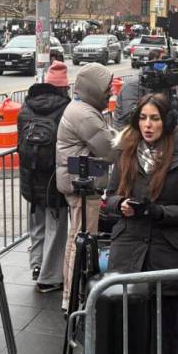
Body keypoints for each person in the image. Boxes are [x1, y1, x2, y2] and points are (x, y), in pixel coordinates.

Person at [106, 93, 178, 354]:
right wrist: (120, 204)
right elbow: (108, 197)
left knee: (165, 329)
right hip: (129, 248)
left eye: (155, 118)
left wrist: (159, 212)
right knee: (127, 324)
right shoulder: (126, 152)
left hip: (165, 251)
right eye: (143, 118)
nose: (148, 125)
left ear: (167, 121)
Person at [56, 62, 117, 310]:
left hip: (81, 185)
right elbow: (110, 148)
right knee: (81, 239)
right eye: (106, 89)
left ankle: (72, 295)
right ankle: (73, 298)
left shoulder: (85, 109)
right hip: (82, 187)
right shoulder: (84, 113)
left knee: (77, 237)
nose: (110, 93)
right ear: (94, 89)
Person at [18, 61, 71, 293]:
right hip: (53, 179)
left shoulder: (26, 107)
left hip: (30, 177)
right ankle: (49, 278)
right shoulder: (67, 109)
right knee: (56, 228)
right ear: (64, 87)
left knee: (37, 224)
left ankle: (37, 266)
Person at [112, 48, 165, 130]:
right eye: (163, 60)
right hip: (127, 132)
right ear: (154, 60)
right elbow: (130, 117)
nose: (165, 64)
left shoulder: (158, 81)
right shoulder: (134, 84)